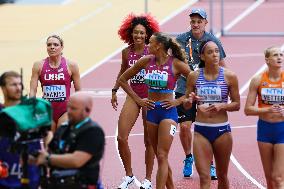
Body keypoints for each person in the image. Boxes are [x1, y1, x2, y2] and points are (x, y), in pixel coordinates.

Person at [119, 32, 191, 189]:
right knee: (161, 158)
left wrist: (179, 100)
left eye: (150, 43)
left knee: (162, 155)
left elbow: (196, 81)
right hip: (151, 111)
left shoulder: (176, 64)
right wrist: (138, 99)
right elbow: (123, 80)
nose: (147, 46)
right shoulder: (146, 61)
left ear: (159, 46)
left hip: (168, 113)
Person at [175, 7, 226, 179]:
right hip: (184, 88)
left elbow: (224, 67)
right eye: (193, 21)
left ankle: (209, 164)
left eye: (199, 21)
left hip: (207, 90)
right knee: (184, 127)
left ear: (205, 23)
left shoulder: (212, 41)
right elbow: (172, 63)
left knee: (207, 129)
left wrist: (223, 88)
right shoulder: (181, 40)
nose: (196, 24)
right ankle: (189, 157)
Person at [111, 13, 159, 189]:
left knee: (149, 140)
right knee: (121, 137)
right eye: (135, 32)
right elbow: (123, 73)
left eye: (142, 33)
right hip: (133, 96)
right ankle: (129, 175)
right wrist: (115, 90)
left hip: (150, 98)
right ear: (130, 33)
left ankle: (147, 179)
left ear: (147, 35)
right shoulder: (126, 52)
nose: (138, 36)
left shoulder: (152, 51)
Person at [183, 40, 240, 189]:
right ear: (202, 56)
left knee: (222, 176)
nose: (215, 55)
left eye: (216, 51)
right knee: (204, 177)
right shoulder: (194, 76)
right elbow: (186, 103)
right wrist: (190, 101)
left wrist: (222, 106)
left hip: (222, 131)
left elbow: (237, 104)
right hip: (201, 131)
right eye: (210, 52)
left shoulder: (230, 76)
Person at [34, 91, 105, 189]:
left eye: (73, 108)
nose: (69, 111)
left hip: (81, 185)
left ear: (87, 110)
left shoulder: (93, 131)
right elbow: (51, 149)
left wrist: (47, 159)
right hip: (59, 183)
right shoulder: (64, 128)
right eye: (68, 107)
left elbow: (77, 160)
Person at [244, 46, 284, 189]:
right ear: (267, 60)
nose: (279, 57)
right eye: (275, 55)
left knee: (278, 177)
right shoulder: (258, 80)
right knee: (269, 179)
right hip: (265, 130)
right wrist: (268, 109)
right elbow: (247, 109)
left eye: (281, 55)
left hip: (282, 130)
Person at [29, 35, 81, 132]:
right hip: (47, 111)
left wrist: (79, 110)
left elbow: (79, 91)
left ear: (61, 47)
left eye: (55, 45)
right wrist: (31, 107)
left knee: (61, 140)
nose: (52, 47)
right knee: (49, 142)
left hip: (65, 110)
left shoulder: (71, 65)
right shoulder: (38, 65)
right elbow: (33, 90)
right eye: (49, 45)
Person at [0, 71, 40, 189]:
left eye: (20, 84)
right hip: (4, 177)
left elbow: (47, 137)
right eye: (13, 85)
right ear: (3, 88)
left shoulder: (33, 111)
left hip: (29, 178)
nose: (18, 88)